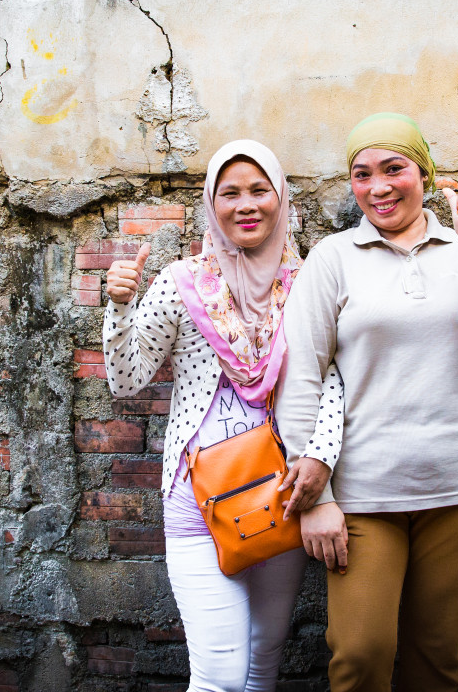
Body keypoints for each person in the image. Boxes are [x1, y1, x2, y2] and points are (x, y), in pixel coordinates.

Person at [276, 112, 458, 692]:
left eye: (394, 168)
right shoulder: (333, 257)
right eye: (362, 174)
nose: (379, 187)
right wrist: (315, 497)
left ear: (424, 173)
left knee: (436, 662)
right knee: (360, 656)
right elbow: (300, 378)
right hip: (363, 496)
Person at [103, 139, 345, 692]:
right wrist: (120, 308)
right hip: (199, 501)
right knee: (222, 676)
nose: (246, 205)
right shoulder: (181, 283)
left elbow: (332, 379)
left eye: (260, 190)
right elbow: (126, 380)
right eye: (230, 193)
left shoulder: (308, 284)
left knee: (264, 660)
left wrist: (320, 459)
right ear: (212, 205)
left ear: (281, 198)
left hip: (282, 493)